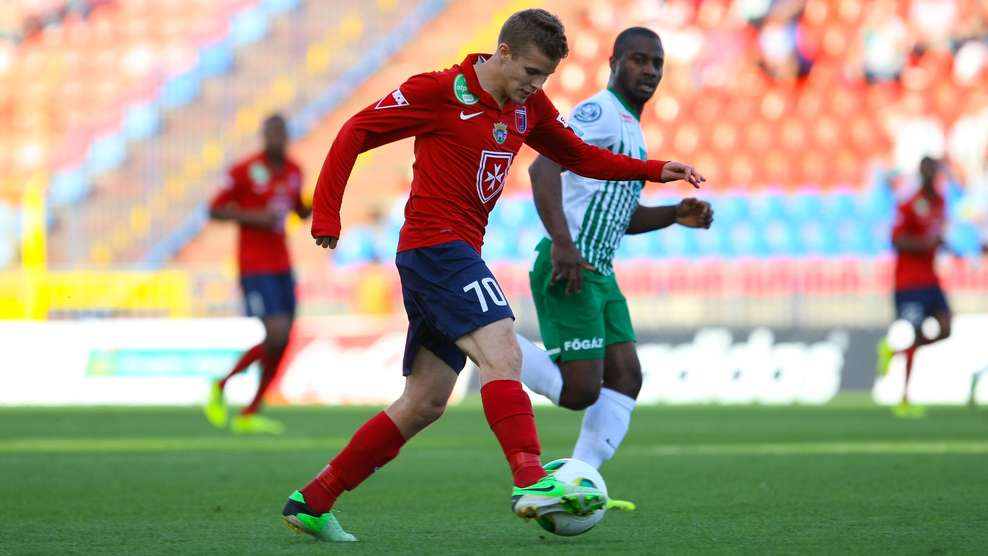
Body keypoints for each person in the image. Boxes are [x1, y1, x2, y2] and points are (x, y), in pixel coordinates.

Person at [281, 9, 705, 542]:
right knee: (502, 351)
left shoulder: (528, 107)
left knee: (426, 401)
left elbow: (578, 156)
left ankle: (314, 499)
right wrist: (327, 214)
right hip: (436, 247)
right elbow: (356, 130)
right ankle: (531, 479)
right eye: (530, 71)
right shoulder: (439, 91)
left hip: (452, 252)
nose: (537, 84)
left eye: (545, 76)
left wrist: (653, 170)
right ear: (503, 53)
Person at [516, 27, 713, 511]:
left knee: (625, 377)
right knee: (579, 391)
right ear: (614, 64)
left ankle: (578, 477)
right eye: (638, 59)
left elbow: (619, 214)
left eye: (656, 63)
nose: (649, 70)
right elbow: (542, 168)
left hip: (600, 270)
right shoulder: (600, 112)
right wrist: (564, 244)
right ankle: (480, 335)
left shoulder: (632, 130)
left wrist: (673, 214)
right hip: (571, 263)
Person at [204, 114, 311, 434]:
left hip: (283, 264)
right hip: (254, 265)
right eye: (272, 134)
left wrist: (317, 202)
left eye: (282, 133)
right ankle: (221, 384)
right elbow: (214, 209)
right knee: (275, 335)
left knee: (284, 339)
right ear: (264, 136)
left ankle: (251, 411)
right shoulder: (245, 170)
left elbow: (298, 210)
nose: (277, 139)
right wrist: (254, 217)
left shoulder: (294, 171)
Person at [876, 156, 952, 418]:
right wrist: (924, 245)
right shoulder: (909, 202)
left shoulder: (940, 201)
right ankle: (904, 399)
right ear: (921, 173)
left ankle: (894, 352)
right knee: (917, 334)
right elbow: (896, 239)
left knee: (946, 330)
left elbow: (936, 234)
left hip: (931, 279)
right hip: (909, 282)